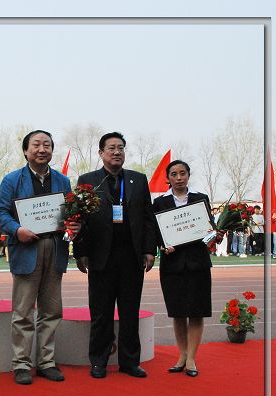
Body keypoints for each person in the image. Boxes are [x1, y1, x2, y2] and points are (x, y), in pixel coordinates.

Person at [0, 130, 80, 385]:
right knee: (23, 312)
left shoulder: (63, 181)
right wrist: (17, 230)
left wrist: (74, 224)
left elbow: (70, 213)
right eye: (36, 145)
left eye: (47, 145)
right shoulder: (12, 180)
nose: (42, 149)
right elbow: (2, 214)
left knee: (51, 310)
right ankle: (22, 364)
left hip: (55, 249)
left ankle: (46, 362)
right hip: (26, 249)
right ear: (26, 150)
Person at [74, 131, 157, 379]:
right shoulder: (88, 181)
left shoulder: (138, 180)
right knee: (101, 312)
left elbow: (148, 218)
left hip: (131, 256)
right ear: (101, 153)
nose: (117, 152)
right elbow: (79, 219)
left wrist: (149, 250)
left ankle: (130, 362)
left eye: (120, 148)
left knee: (130, 311)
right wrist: (80, 252)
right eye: (111, 148)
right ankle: (99, 361)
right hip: (101, 257)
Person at [153, 160, 214, 377]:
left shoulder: (201, 199)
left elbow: (209, 230)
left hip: (198, 263)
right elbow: (155, 231)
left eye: (182, 173)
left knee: (197, 312)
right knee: (178, 313)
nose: (179, 178)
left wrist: (213, 235)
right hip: (172, 265)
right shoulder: (159, 202)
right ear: (168, 178)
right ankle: (182, 355)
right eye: (174, 174)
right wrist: (162, 245)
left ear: (188, 175)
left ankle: (191, 359)